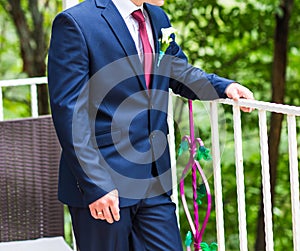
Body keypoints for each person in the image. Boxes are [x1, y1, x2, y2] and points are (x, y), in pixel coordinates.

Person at [47, 0, 254, 250]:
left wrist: (223, 87)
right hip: (105, 181)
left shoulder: (157, 17)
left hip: (153, 175)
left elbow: (178, 71)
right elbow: (69, 111)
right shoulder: (76, 23)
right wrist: (96, 183)